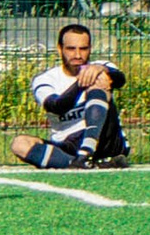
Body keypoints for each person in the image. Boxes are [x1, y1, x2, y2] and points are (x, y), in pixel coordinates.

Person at [11, 24, 130, 169]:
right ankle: (81, 163)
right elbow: (56, 107)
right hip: (68, 144)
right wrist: (80, 84)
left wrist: (102, 70)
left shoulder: (100, 67)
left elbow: (120, 79)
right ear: (60, 49)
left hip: (105, 141)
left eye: (83, 49)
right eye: (71, 49)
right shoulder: (45, 79)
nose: (78, 55)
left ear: (90, 49)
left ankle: (86, 153)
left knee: (98, 82)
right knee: (19, 144)